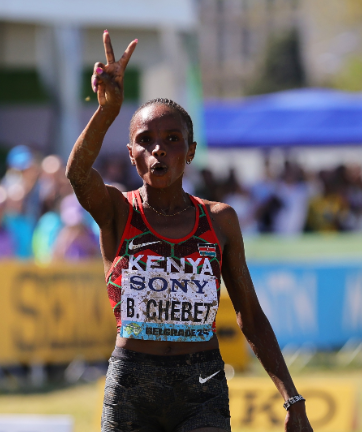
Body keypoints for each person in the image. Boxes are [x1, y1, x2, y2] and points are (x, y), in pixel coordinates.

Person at [66, 31, 312, 432]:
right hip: (132, 385)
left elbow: (249, 314)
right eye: (145, 142)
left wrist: (292, 399)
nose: (158, 150)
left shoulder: (220, 221)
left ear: (191, 152)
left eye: (172, 140)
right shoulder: (116, 210)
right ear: (131, 155)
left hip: (202, 386)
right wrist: (107, 112)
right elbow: (77, 174)